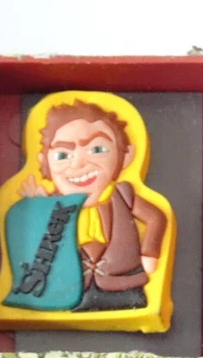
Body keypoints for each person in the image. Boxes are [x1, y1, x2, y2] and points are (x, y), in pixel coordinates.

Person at [19, 100, 167, 312]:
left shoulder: (123, 195)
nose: (78, 163)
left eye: (97, 149)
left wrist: (149, 252)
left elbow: (155, 217)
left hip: (124, 284)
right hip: (70, 289)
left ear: (125, 156)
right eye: (62, 155)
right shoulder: (54, 206)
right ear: (45, 161)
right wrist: (35, 208)